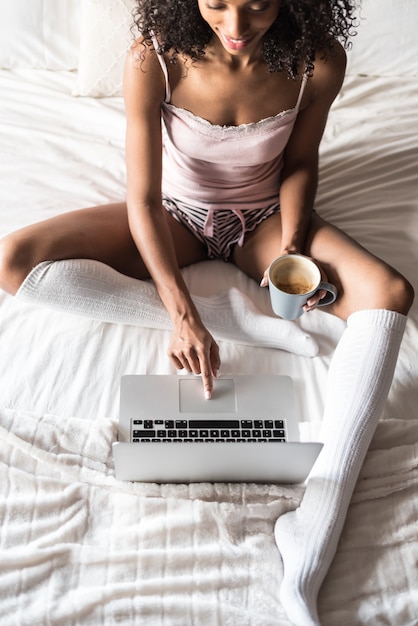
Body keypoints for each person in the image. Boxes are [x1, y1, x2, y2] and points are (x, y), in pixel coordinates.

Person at [0, 1, 414, 624]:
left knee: (390, 294)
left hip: (265, 223)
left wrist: (294, 249)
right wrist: (184, 313)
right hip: (174, 217)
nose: (237, 25)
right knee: (12, 261)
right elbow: (140, 196)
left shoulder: (318, 59)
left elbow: (299, 162)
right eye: (217, 3)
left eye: (258, 6)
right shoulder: (154, 56)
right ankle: (232, 318)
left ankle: (315, 529)